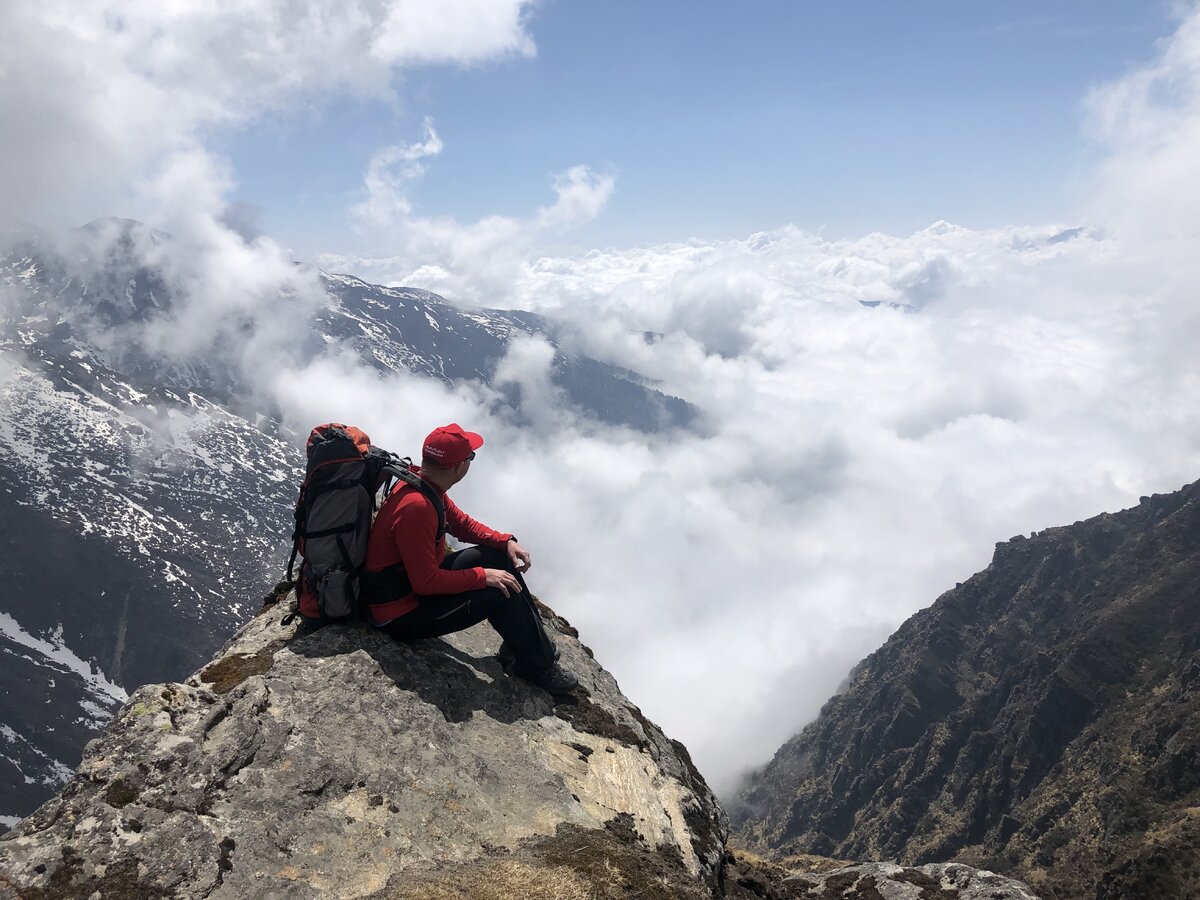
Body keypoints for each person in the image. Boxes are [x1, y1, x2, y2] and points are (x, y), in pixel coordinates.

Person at [361, 423, 578, 694]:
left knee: (499, 558)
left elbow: (461, 524)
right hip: (398, 614)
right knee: (498, 590)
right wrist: (482, 576)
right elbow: (426, 583)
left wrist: (505, 541)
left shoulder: (423, 484)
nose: (471, 462)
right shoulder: (417, 507)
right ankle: (537, 666)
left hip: (406, 590)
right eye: (470, 457)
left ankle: (522, 645)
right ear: (458, 467)